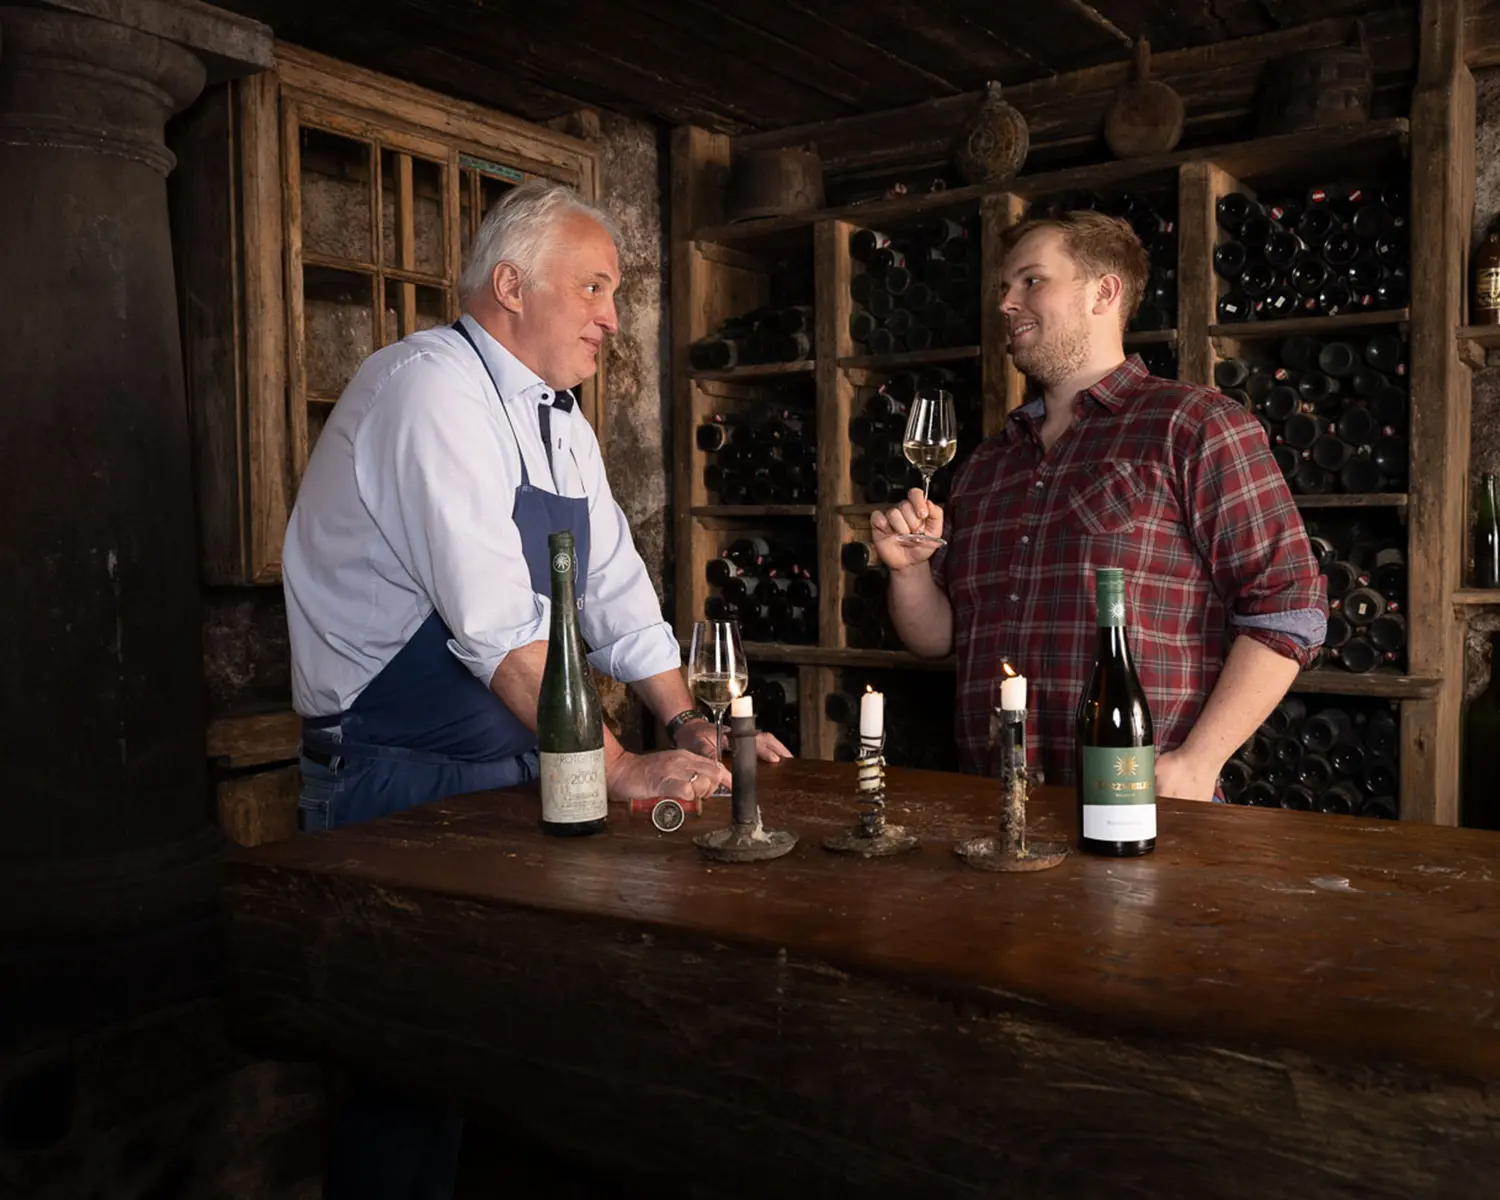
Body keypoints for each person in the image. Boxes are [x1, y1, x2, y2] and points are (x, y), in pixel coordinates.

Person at [282, 179, 789, 1198]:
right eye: (596, 288)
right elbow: (497, 627)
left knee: (502, 1050)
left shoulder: (560, 420)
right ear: (510, 286)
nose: (613, 317)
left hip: (510, 764)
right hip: (396, 777)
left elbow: (614, 593)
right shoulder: (426, 387)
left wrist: (686, 723)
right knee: (407, 1071)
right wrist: (616, 769)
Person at [872, 209, 1326, 802]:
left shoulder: (1195, 425)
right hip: (997, 807)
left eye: (1031, 281)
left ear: (1103, 292)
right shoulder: (986, 465)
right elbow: (939, 639)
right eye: (1003, 288)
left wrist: (1198, 761)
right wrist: (908, 572)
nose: (1006, 303)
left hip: (1139, 803)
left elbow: (1289, 605)